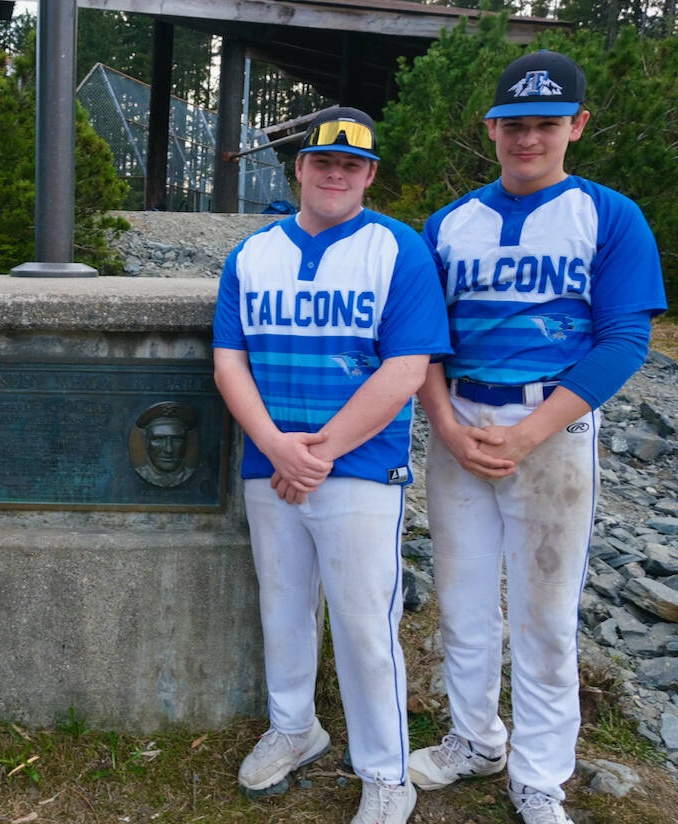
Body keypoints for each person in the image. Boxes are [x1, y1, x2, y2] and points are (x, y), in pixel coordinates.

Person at [409, 50, 666, 824]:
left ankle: (541, 771)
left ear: (577, 126)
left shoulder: (607, 214)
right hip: (461, 422)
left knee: (545, 612)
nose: (528, 139)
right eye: (513, 124)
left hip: (551, 427)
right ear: (491, 128)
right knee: (461, 600)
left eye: (546, 124)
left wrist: (529, 432)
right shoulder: (449, 222)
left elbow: (624, 339)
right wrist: (447, 425)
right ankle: (475, 738)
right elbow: (421, 340)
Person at [212, 106, 450, 824]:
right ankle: (296, 728)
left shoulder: (398, 249)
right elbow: (229, 361)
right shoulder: (253, 255)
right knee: (282, 608)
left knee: (362, 623)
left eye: (352, 165)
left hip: (359, 469)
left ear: (370, 175)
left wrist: (315, 451)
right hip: (272, 462)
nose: (336, 174)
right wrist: (278, 446)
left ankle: (386, 772)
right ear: (301, 169)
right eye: (324, 162)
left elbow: (407, 368)